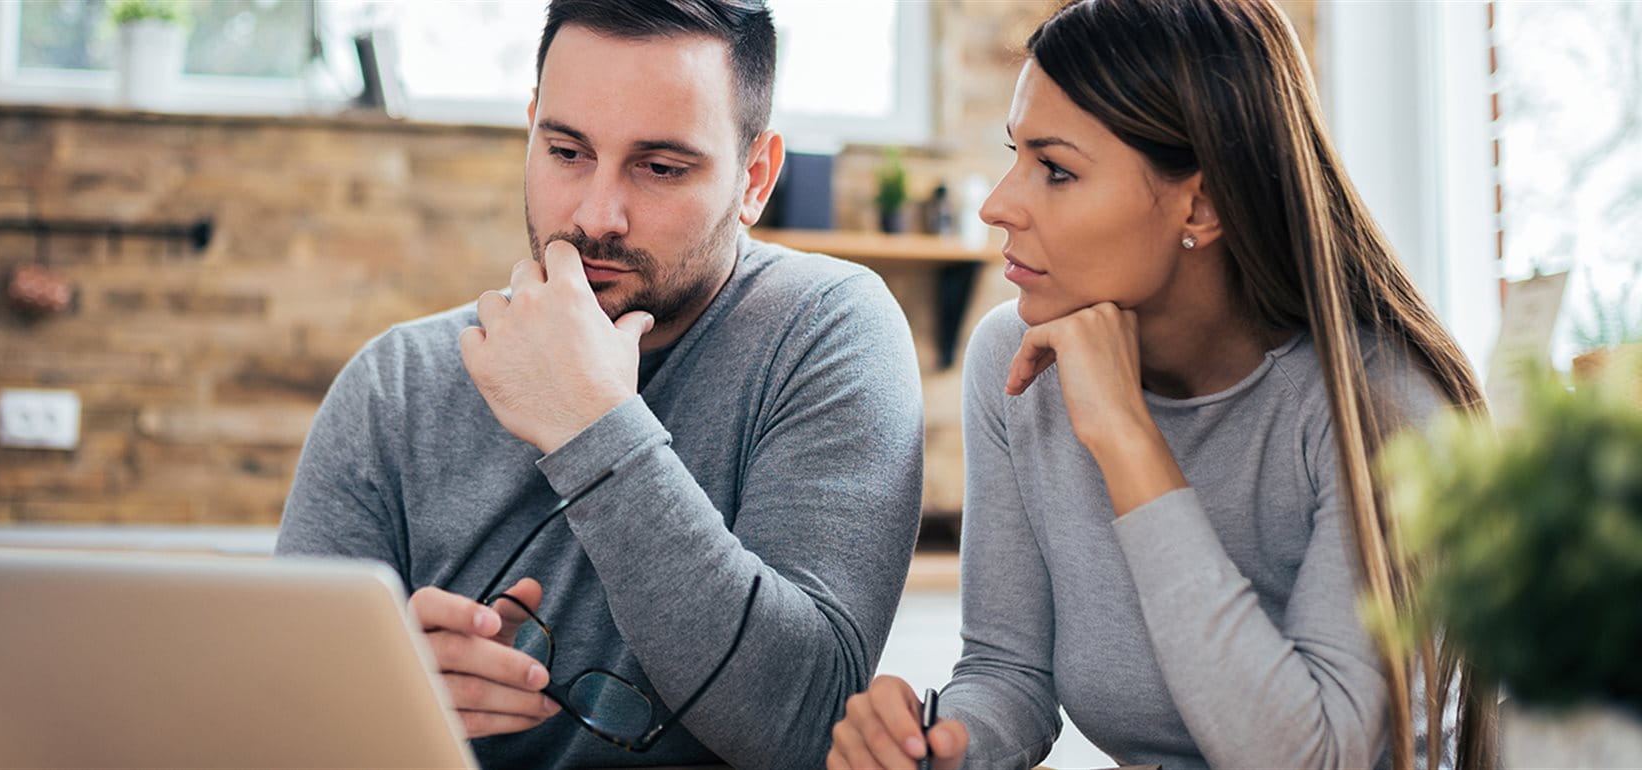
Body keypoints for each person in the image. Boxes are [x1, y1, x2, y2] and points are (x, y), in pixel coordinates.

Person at [826, 0, 1497, 768]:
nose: (997, 204)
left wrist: (1124, 435)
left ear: (1201, 203)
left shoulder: (1381, 406)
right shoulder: (1014, 361)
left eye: (1055, 169)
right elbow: (1009, 674)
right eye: (1015, 155)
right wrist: (936, 747)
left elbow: (1315, 759)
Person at [276, 1, 924, 767]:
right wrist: (367, 698)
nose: (596, 215)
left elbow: (801, 726)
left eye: (659, 167)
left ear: (755, 178)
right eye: (567, 151)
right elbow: (277, 716)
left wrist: (591, 421)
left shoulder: (825, 333)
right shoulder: (398, 385)